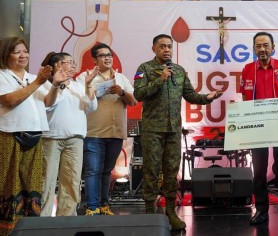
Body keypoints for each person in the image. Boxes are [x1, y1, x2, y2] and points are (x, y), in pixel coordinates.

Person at [134, 34, 222, 230]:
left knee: (172, 171)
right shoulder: (144, 69)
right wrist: (160, 79)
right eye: (162, 46)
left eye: (169, 47)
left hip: (174, 129)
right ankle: (149, 213)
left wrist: (208, 97)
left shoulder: (179, 71)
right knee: (151, 171)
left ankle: (171, 212)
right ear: (154, 49)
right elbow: (139, 94)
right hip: (152, 130)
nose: (166, 50)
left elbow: (190, 95)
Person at [0, 37, 66, 235]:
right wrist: (39, 81)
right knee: (9, 183)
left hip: (35, 137)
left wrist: (54, 85)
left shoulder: (31, 77)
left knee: (32, 184)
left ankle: (29, 228)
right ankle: (6, 229)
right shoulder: (3, 76)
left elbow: (47, 102)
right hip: (10, 135)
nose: (23, 55)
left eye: (25, 51)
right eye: (17, 52)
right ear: (6, 55)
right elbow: (9, 100)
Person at [240, 32, 278, 226]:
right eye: (258, 46)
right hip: (258, 126)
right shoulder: (247, 70)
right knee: (259, 171)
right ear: (254, 49)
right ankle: (261, 209)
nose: (262, 49)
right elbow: (245, 99)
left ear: (273, 47)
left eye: (265, 45)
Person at [77, 43, 136, 216]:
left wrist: (122, 92)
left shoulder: (121, 78)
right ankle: (92, 207)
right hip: (93, 132)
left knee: (106, 171)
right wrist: (98, 92)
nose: (108, 58)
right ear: (95, 59)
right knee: (92, 170)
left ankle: (104, 205)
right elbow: (80, 100)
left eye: (109, 55)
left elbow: (132, 101)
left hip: (115, 132)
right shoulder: (85, 77)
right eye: (103, 55)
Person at [40, 52, 98, 217]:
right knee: (47, 181)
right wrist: (58, 84)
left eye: (74, 63)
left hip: (75, 139)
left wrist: (88, 85)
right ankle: (42, 219)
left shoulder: (78, 85)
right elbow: (48, 105)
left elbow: (91, 107)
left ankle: (66, 219)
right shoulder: (45, 84)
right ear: (58, 65)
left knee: (72, 182)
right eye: (70, 62)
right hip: (50, 138)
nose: (74, 66)